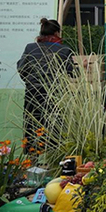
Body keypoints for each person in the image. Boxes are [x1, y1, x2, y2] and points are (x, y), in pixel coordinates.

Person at [17, 18, 75, 146]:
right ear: (56, 33)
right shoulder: (64, 50)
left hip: (33, 94)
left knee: (31, 128)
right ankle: (53, 161)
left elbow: (21, 68)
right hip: (55, 96)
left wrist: (31, 81)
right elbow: (72, 72)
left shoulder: (30, 48)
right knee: (55, 131)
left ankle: (32, 162)